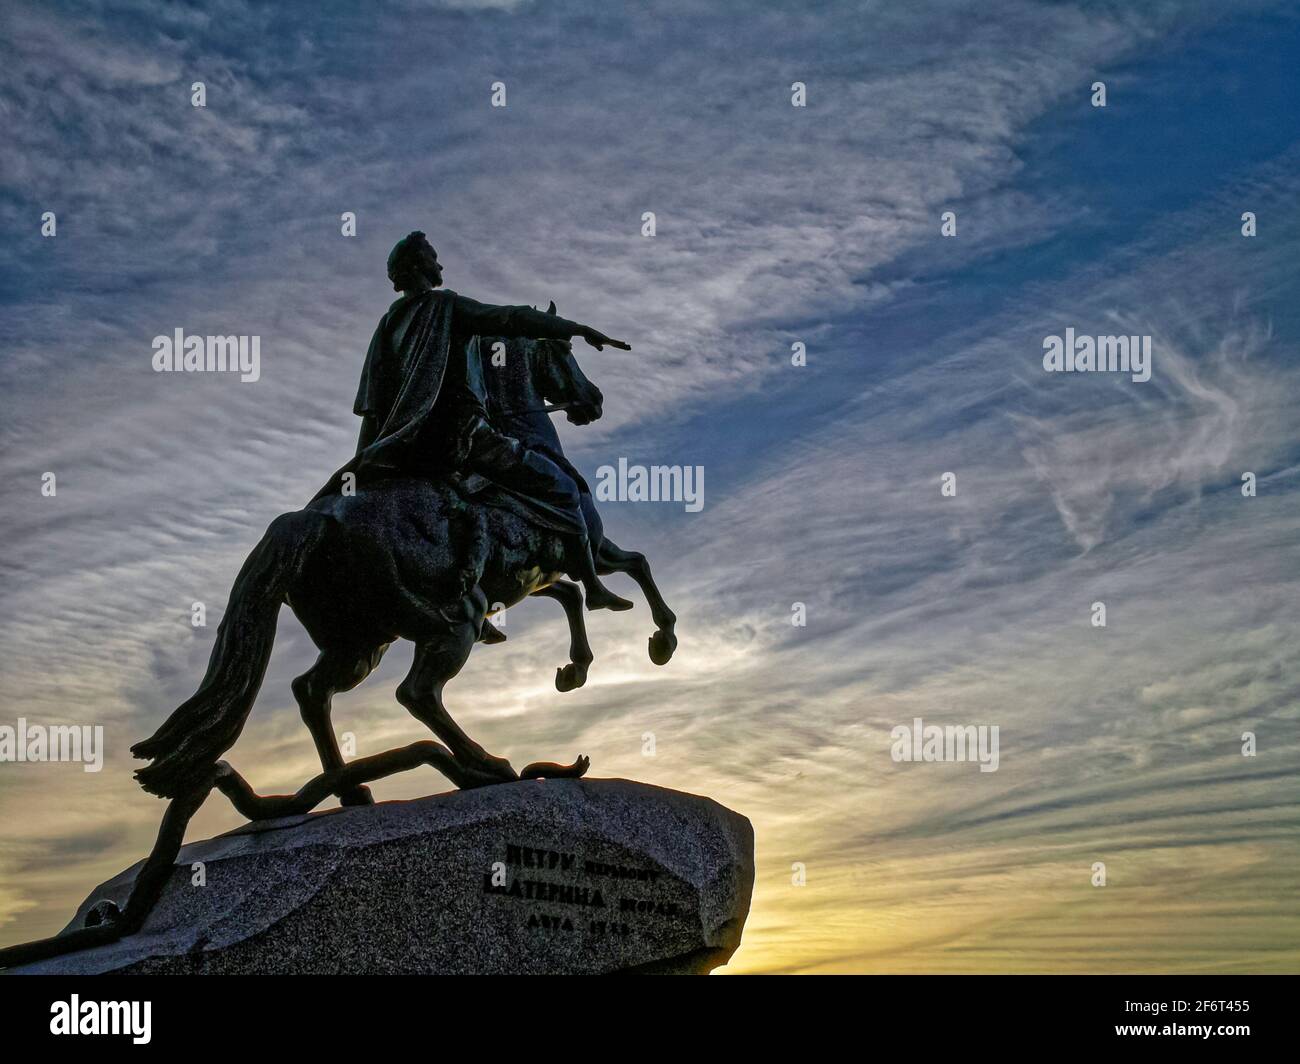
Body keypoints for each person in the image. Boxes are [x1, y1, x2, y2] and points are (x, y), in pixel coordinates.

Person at [317, 230, 632, 612]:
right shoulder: (445, 307)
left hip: (406, 450)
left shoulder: (387, 326)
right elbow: (509, 319)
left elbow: (372, 404)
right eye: (434, 257)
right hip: (462, 440)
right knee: (563, 488)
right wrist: (574, 329)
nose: (440, 264)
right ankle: (593, 587)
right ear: (418, 266)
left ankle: (476, 595)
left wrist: (364, 464)